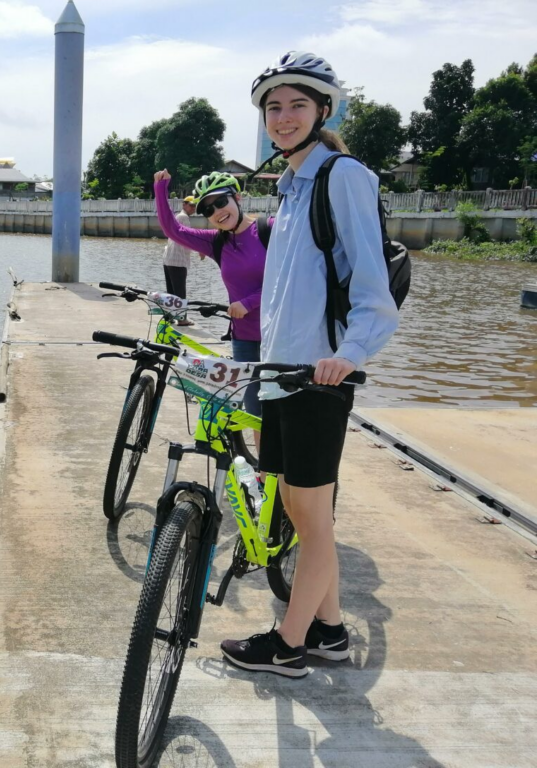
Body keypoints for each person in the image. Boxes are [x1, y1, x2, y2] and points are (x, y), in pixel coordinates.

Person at [220, 51, 399, 678]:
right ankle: (329, 632)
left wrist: (348, 356)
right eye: (274, 107)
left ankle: (287, 644)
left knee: (312, 519)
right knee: (300, 512)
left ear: (324, 109)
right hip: (279, 374)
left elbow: (373, 288)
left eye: (298, 104)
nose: (284, 116)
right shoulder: (291, 190)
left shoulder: (341, 176)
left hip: (318, 377)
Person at [153, 170, 269, 422]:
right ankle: (263, 464)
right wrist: (160, 189)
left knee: (280, 413)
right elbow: (173, 230)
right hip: (244, 339)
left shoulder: (269, 230)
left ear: (237, 197)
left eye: (220, 202)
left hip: (280, 337)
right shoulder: (218, 242)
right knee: (255, 414)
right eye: (207, 209)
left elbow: (288, 281)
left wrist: (248, 302)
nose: (217, 211)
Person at [160, 193, 199, 316]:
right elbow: (188, 238)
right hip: (178, 259)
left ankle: (170, 316)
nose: (193, 208)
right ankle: (182, 318)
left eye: (195, 206)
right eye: (191, 205)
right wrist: (200, 249)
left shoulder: (178, 216)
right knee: (180, 292)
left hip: (169, 259)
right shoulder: (183, 218)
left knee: (171, 292)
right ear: (184, 205)